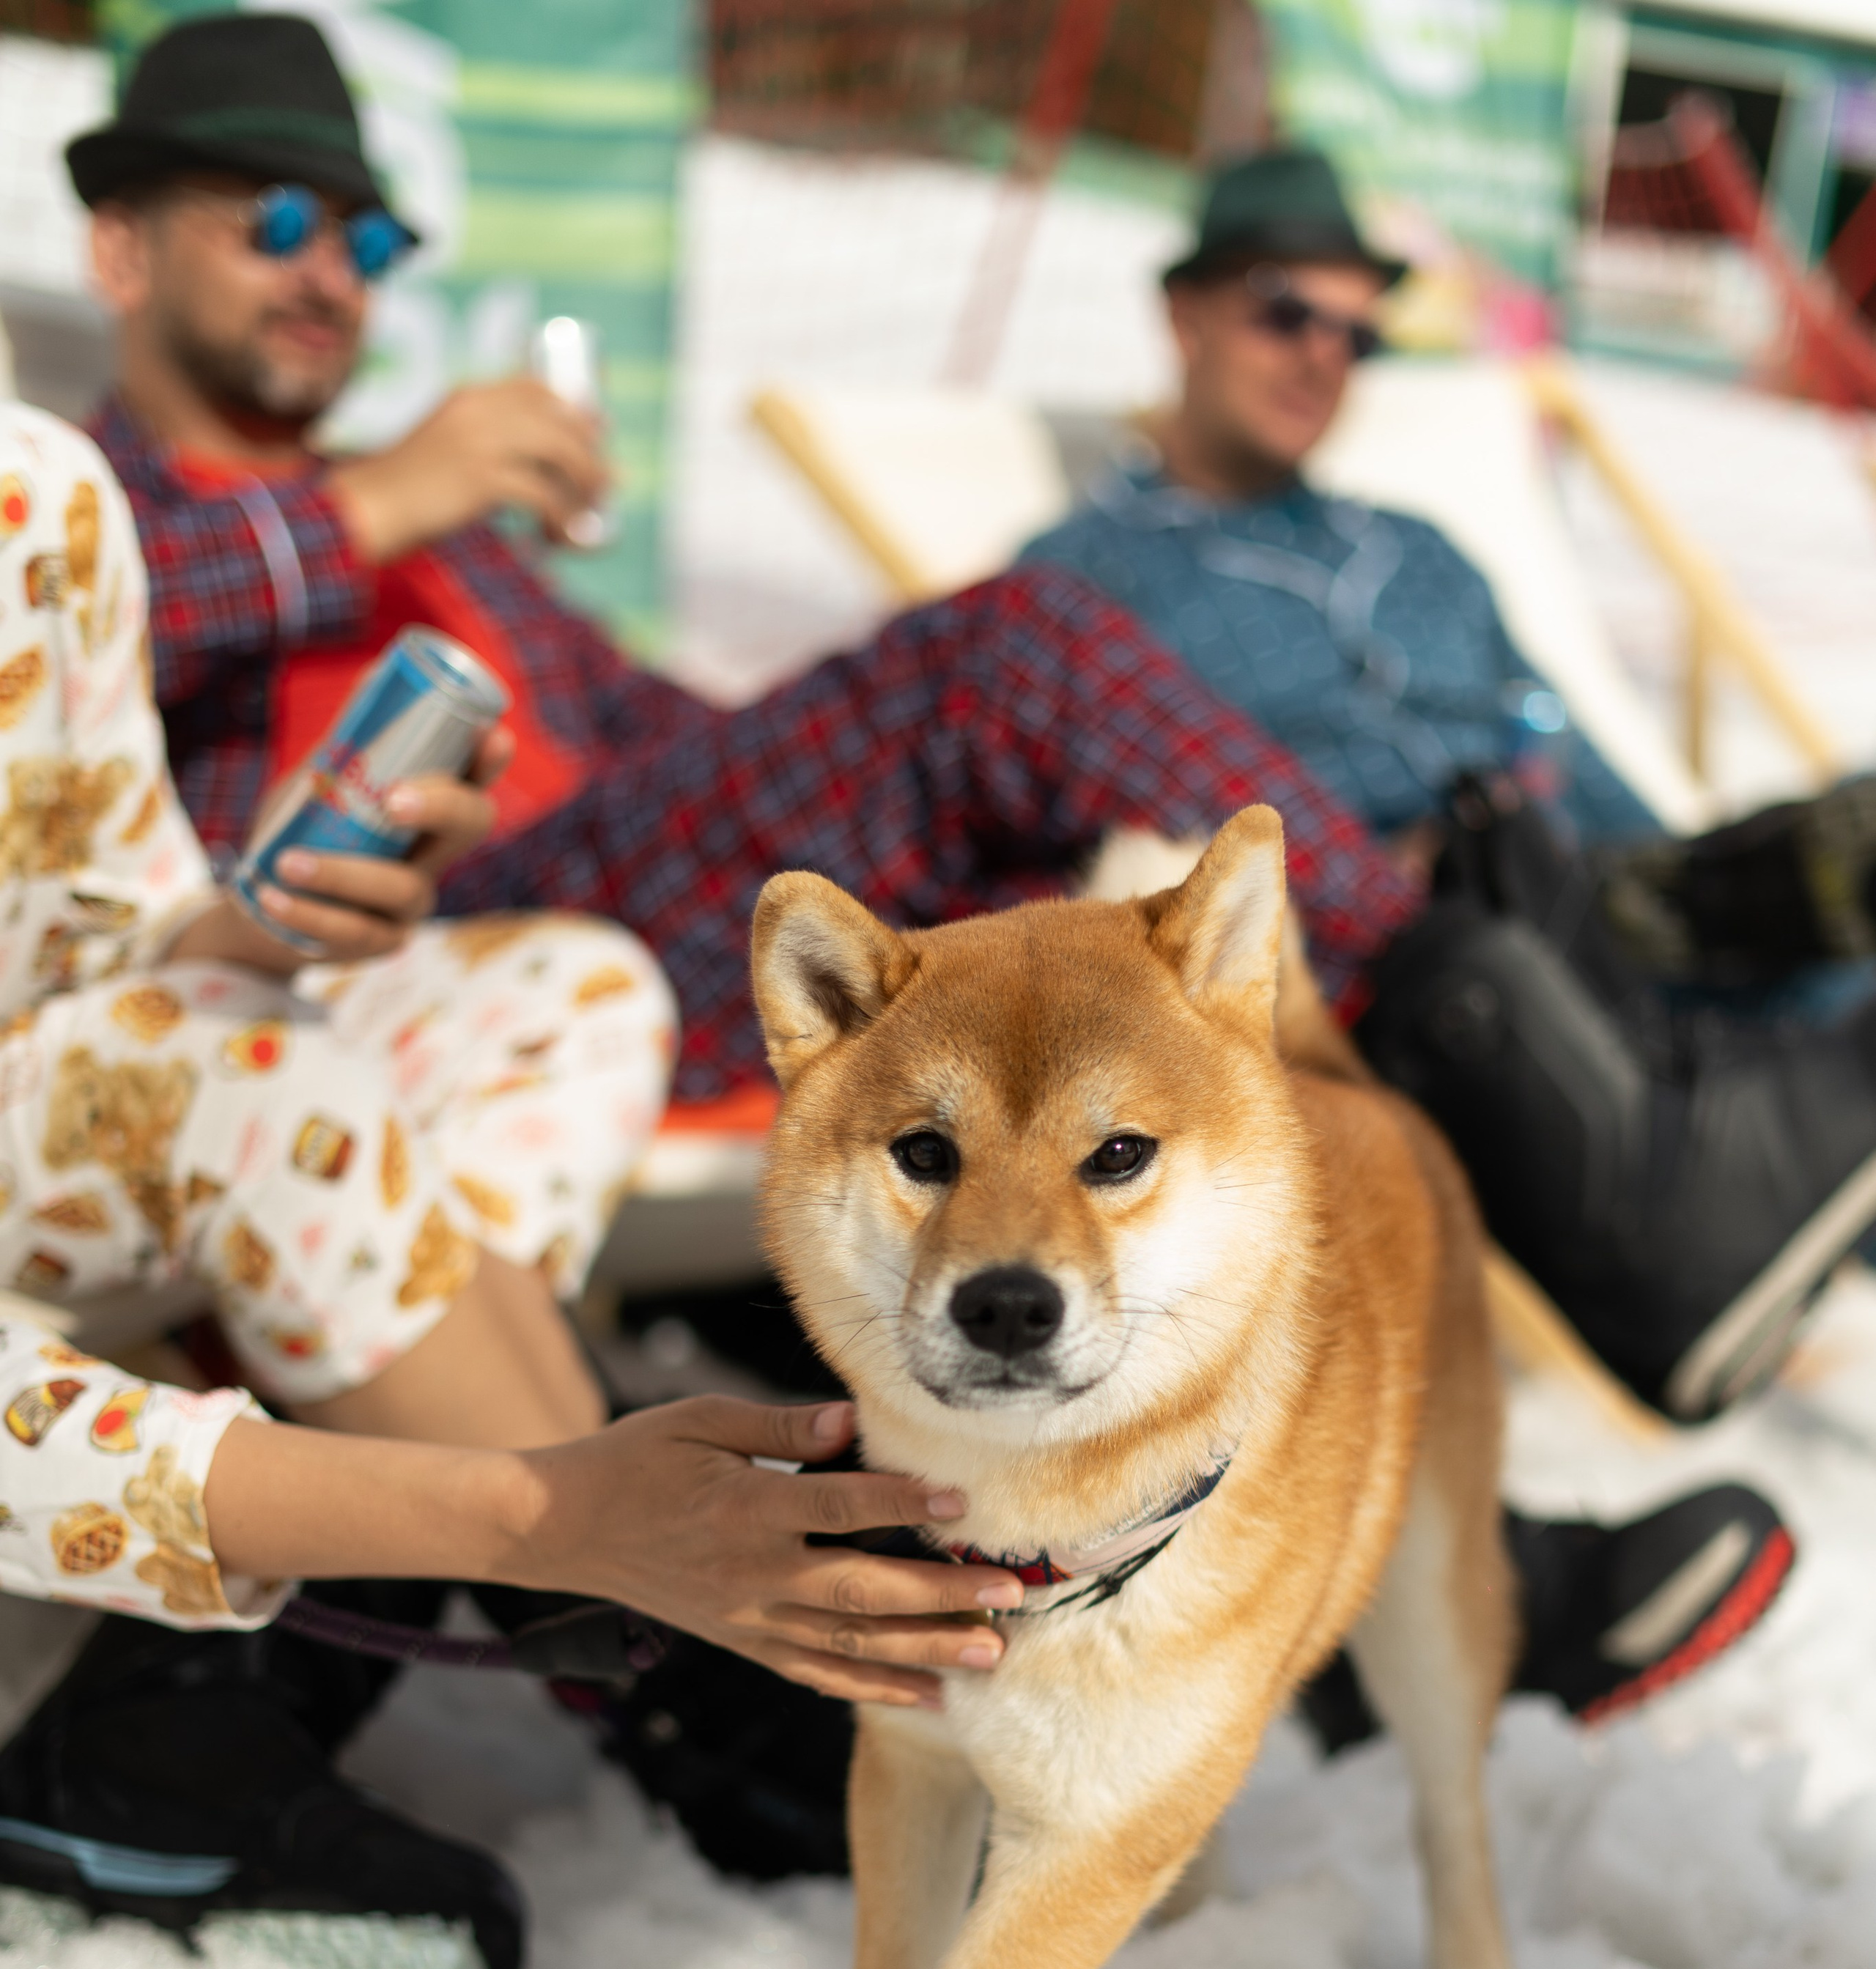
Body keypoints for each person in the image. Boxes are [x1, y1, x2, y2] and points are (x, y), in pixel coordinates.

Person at [61, 23, 1801, 1857]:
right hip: (369, 969)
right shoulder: (98, 512)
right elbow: (71, 693)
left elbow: (656, 732)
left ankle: (1392, 1527)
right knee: (1012, 648)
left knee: (1032, 889)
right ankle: (1586, 1107)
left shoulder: (467, 558)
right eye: (272, 219)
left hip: (631, 930)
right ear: (120, 252)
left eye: (368, 238)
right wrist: (375, 505)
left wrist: (848, 776)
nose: (330, 271)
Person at [0, 399, 1025, 1969]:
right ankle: (629, 1641)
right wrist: (534, 1510)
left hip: (42, 1078)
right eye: (277, 216)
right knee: (268, 1095)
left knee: (573, 988)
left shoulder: (34, 492)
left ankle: (184, 1719)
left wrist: (277, 918)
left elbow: (111, 938)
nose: (332, 262)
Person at [1021, 144, 1876, 1422]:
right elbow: (1102, 858)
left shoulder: (1418, 550)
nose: (1323, 357)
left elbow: (1574, 748)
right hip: (1413, 955)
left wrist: (1704, 885)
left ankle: (1724, 952)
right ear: (1184, 311)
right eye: (1287, 312)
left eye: (1359, 337)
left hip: (1594, 901)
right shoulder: (1083, 582)